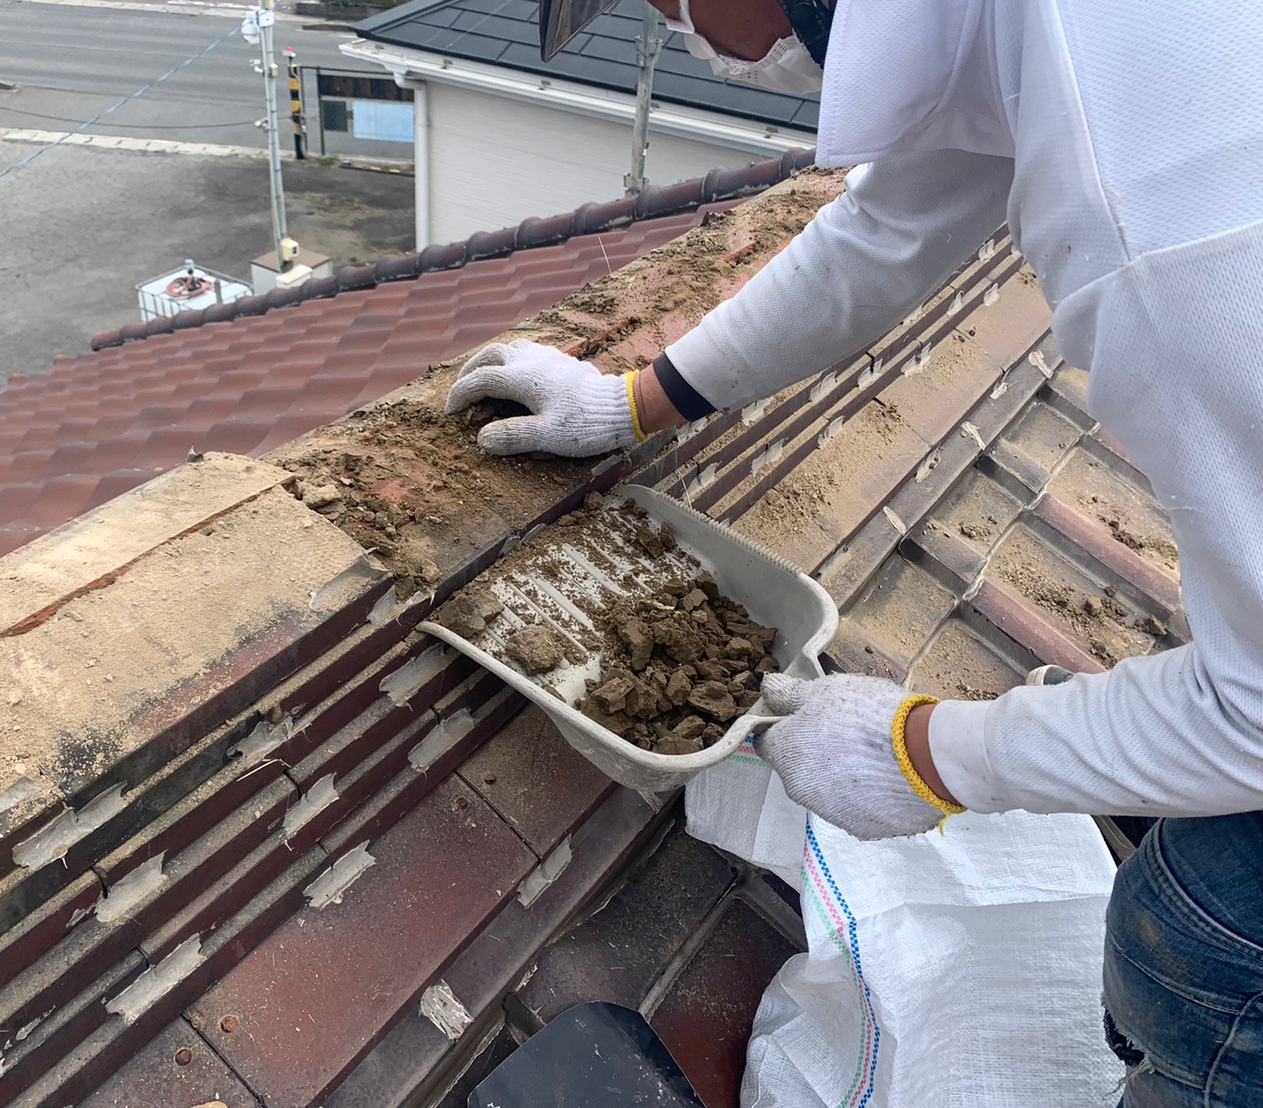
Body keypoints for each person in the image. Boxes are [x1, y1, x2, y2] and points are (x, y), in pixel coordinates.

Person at [444, 1, 1263, 1102]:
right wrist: (632, 402)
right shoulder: (1034, 35)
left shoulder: (1156, 232)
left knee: (1204, 942)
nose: (675, 29)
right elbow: (887, 232)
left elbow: (1252, 714)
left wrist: (926, 756)